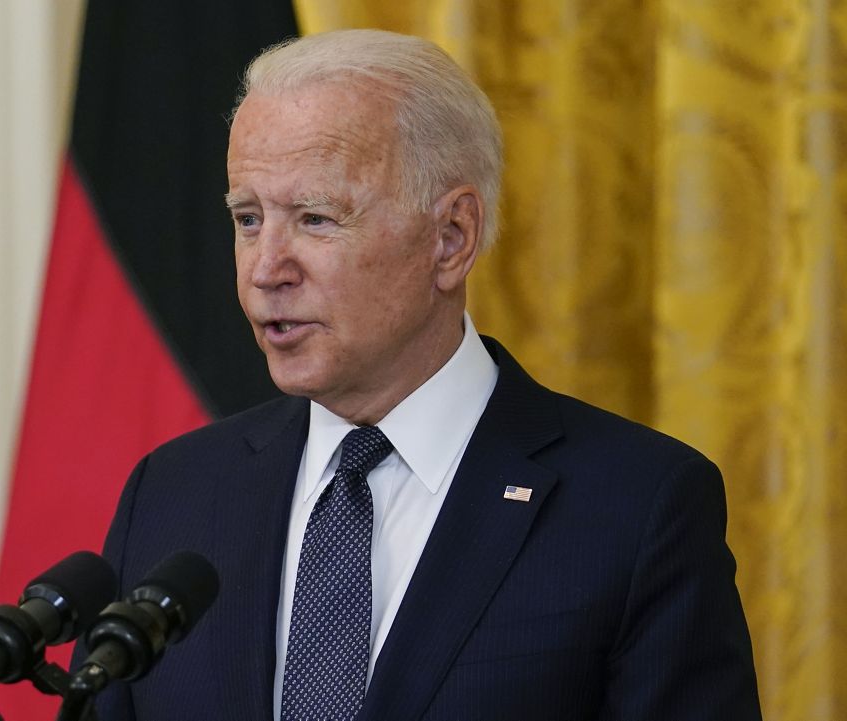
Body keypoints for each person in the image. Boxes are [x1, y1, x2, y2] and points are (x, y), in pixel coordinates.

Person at [85, 29, 761, 720]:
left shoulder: (636, 508)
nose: (265, 269)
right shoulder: (172, 495)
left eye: (316, 219)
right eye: (248, 218)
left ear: (452, 238)